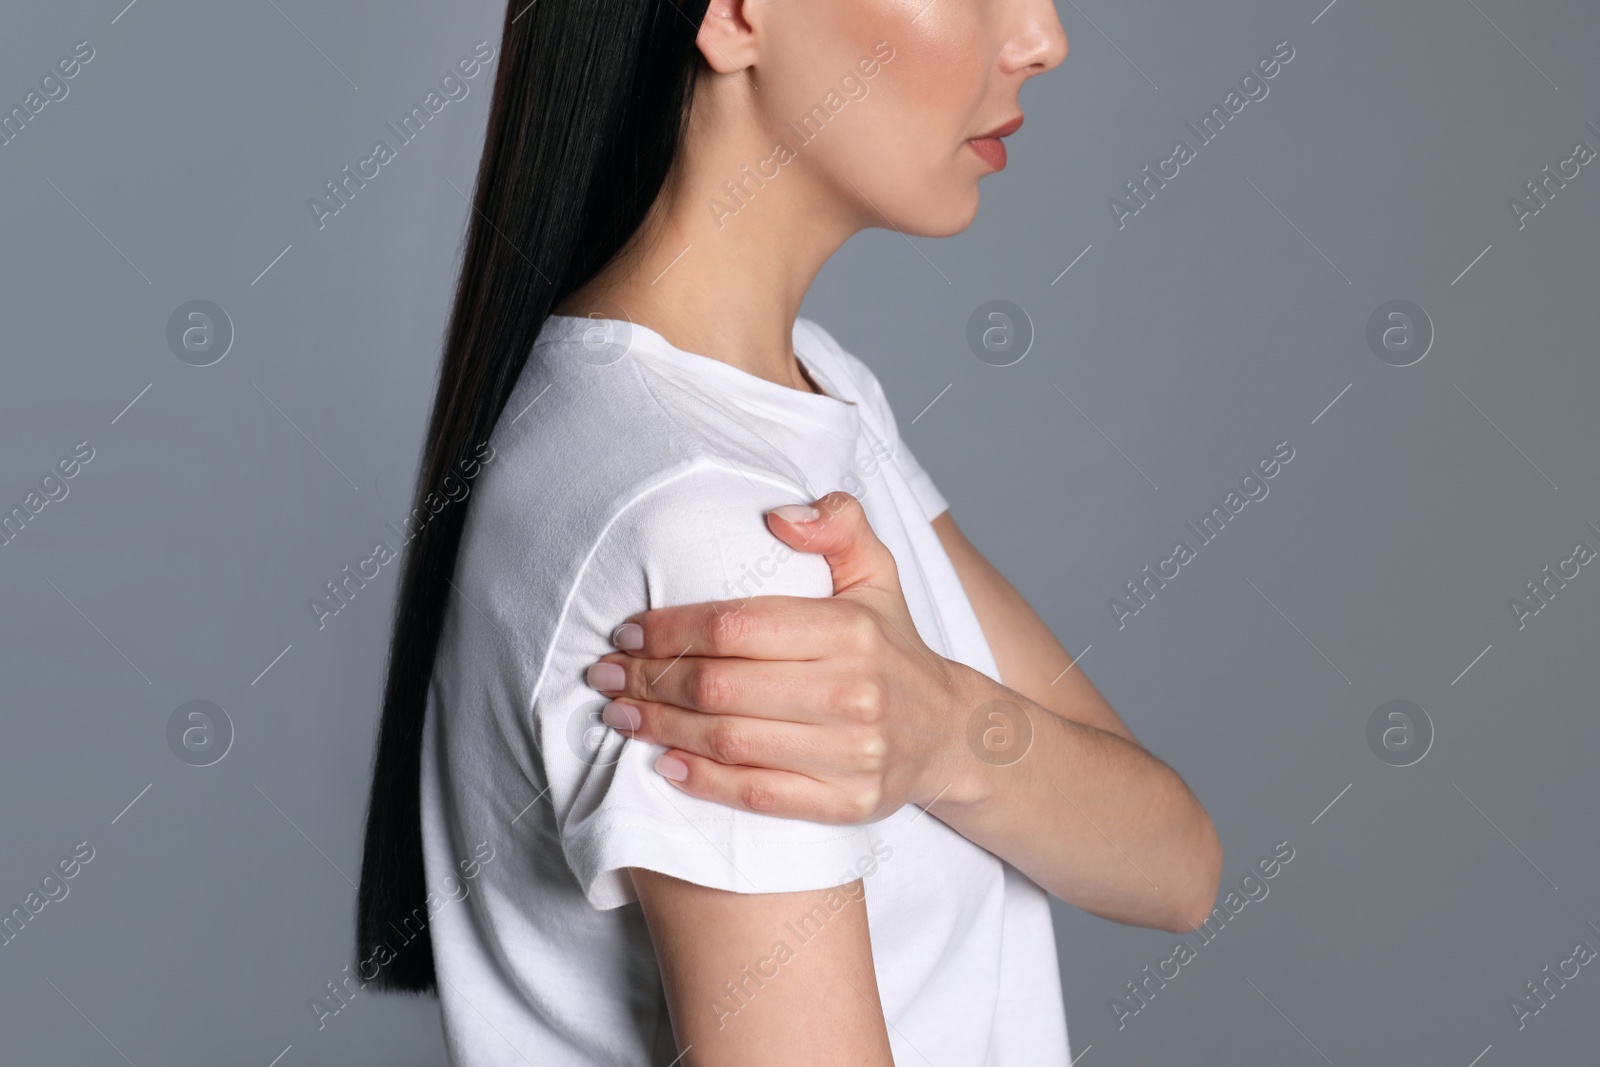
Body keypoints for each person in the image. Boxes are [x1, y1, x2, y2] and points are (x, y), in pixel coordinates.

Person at [355, 1, 1222, 1063]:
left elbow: (1176, 865)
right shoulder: (720, 531)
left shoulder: (804, 391)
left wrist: (946, 732)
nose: (1042, 37)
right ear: (733, 15)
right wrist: (945, 738)